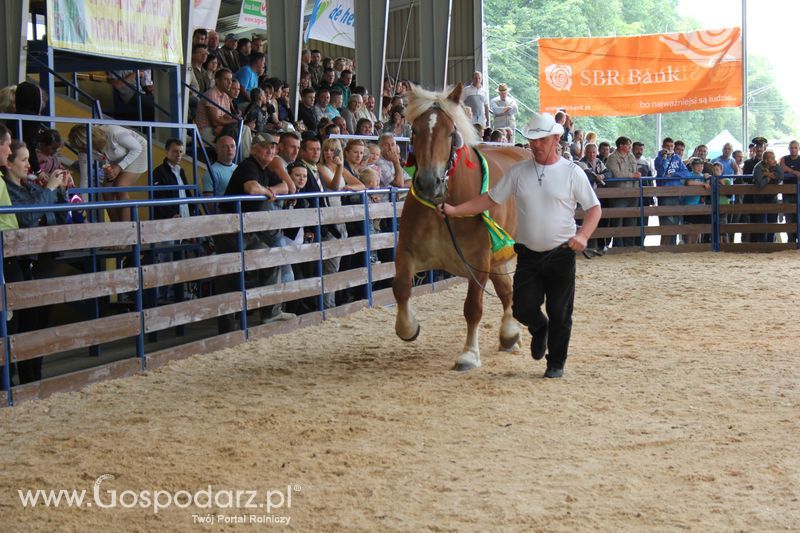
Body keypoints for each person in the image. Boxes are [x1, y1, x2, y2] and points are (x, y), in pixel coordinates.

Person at [439, 112, 601, 378]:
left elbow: (594, 208)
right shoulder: (518, 172)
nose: (535, 145)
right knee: (522, 308)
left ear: (556, 139)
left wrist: (583, 236)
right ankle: (539, 328)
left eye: (541, 139)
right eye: (532, 140)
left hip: (562, 254)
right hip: (528, 255)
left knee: (561, 312)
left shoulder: (573, 173)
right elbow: (489, 199)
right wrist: (456, 210)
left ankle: (556, 363)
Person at [2, 140, 68, 383]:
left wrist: (60, 190)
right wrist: (49, 190)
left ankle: (34, 378)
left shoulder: (31, 188)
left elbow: (59, 215)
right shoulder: (9, 191)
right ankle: (20, 379)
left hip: (45, 256)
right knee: (22, 325)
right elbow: (27, 217)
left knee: (41, 322)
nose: (28, 165)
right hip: (25, 261)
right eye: (22, 159)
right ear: (9, 163)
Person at [217, 133, 294, 331]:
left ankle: (271, 313)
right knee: (230, 276)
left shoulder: (265, 169)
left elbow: (287, 186)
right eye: (264, 147)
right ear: (253, 149)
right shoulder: (248, 166)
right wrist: (267, 191)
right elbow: (251, 189)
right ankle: (227, 326)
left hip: (249, 231)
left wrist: (268, 189)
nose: (270, 150)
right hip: (231, 230)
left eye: (273, 147)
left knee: (271, 259)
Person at [68, 124, 147, 223]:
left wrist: (119, 167)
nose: (83, 151)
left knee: (120, 187)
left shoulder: (114, 133)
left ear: (91, 139)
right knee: (107, 190)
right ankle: (115, 225)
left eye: (84, 146)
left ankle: (127, 226)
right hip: (115, 159)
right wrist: (82, 207)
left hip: (137, 152)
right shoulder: (83, 151)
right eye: (80, 148)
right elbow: (85, 178)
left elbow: (137, 148)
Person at [605, 136, 641, 248]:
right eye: (628, 144)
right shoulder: (612, 158)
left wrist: (635, 175)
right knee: (618, 221)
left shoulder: (631, 156)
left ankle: (629, 246)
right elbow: (617, 174)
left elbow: (636, 172)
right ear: (621, 146)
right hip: (618, 194)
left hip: (632, 193)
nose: (630, 146)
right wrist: (632, 175)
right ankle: (618, 247)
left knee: (631, 221)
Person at [654, 137, 689, 245]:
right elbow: (661, 172)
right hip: (664, 193)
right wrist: (664, 158)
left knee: (675, 220)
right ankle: (665, 246)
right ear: (663, 147)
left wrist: (673, 175)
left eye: (671, 146)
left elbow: (685, 172)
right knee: (665, 220)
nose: (670, 148)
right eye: (667, 146)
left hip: (676, 192)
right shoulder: (658, 159)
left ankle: (672, 245)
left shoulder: (677, 158)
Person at [752, 150, 783, 243]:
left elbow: (781, 176)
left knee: (773, 221)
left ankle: (771, 243)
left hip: (773, 198)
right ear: (765, 160)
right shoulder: (758, 167)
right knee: (761, 222)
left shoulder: (775, 165)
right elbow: (760, 184)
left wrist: (766, 174)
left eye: (774, 158)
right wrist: (770, 178)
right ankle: (763, 244)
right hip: (760, 198)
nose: (774, 160)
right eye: (772, 158)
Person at [682, 158, 711, 245]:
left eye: (701, 166)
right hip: (689, 204)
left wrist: (708, 179)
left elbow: (708, 186)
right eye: (697, 166)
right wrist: (703, 184)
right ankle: (688, 245)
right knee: (689, 227)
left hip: (700, 205)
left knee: (697, 227)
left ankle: (694, 246)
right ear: (692, 167)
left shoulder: (703, 176)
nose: (699, 168)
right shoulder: (689, 175)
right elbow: (689, 183)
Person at [779, 140, 800, 243]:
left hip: (798, 193)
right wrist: (794, 172)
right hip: (787, 193)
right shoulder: (784, 158)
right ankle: (790, 241)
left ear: (798, 149)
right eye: (791, 148)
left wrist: (788, 170)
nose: (793, 150)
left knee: (798, 218)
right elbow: (781, 168)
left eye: (795, 148)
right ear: (789, 148)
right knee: (788, 218)